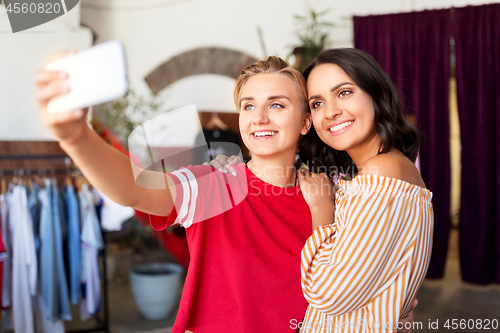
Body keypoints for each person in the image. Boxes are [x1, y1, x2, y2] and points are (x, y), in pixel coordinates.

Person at [36, 52, 416, 333]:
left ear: (305, 122)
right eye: (248, 106)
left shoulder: (328, 194)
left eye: (277, 105)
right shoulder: (215, 185)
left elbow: (361, 280)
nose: (259, 117)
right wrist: (74, 136)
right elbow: (135, 189)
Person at [296, 48, 433, 332]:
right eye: (318, 103)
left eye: (344, 92)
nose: (331, 111)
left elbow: (327, 294)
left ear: (375, 94)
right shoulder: (379, 170)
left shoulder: (382, 171)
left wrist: (322, 208)